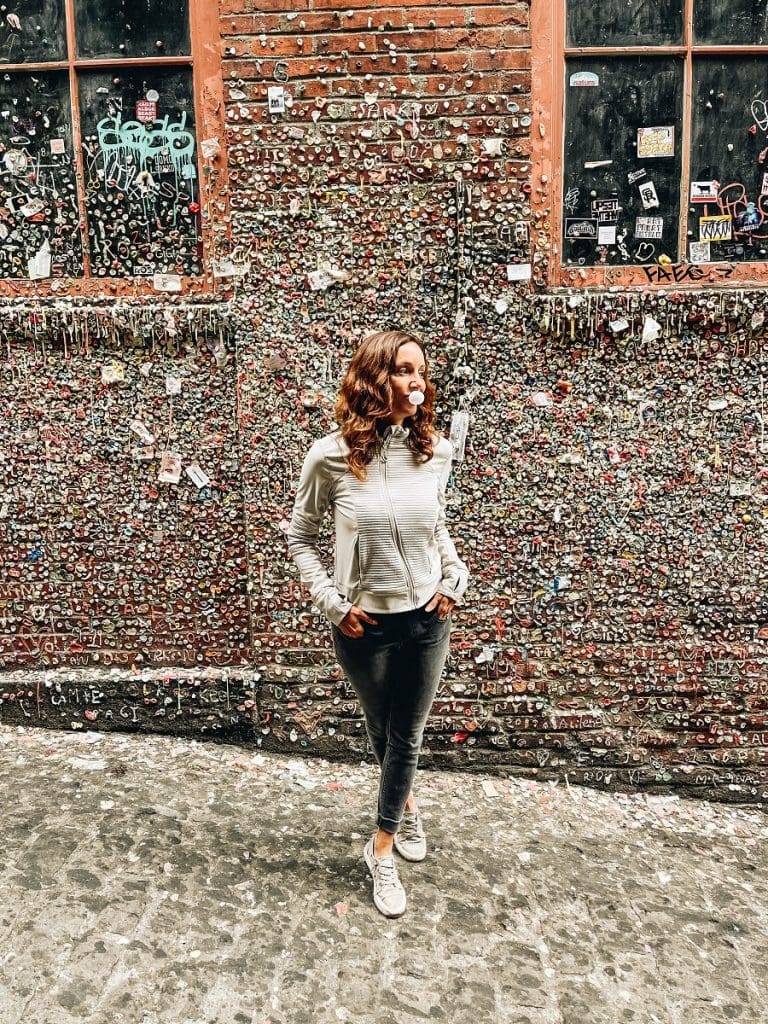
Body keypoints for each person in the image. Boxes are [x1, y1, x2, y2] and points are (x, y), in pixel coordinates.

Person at [287, 329, 469, 918]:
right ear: (373, 381)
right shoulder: (331, 457)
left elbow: (435, 529)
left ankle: (381, 849)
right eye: (404, 371)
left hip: (425, 620)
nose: (418, 382)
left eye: (422, 371)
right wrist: (332, 603)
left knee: (406, 735)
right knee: (384, 731)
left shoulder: (434, 452)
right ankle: (407, 808)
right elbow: (300, 538)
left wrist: (453, 576)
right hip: (362, 625)